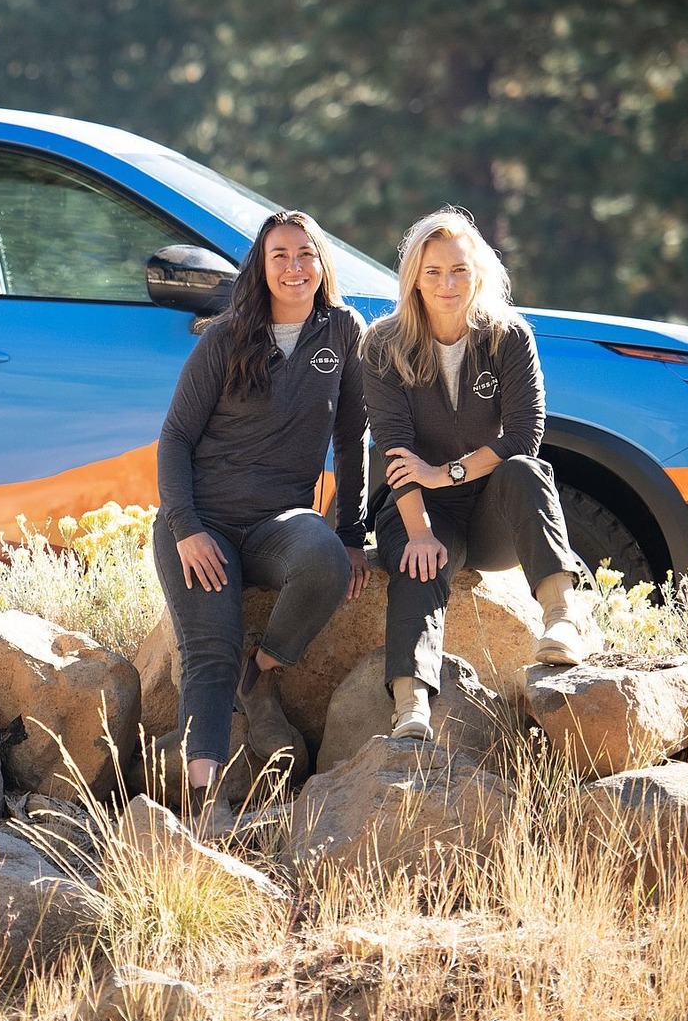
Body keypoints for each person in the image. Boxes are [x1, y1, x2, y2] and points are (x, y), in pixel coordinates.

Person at [154, 210, 370, 835]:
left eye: (306, 255)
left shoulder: (343, 331)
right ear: (261, 266)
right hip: (202, 523)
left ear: (322, 263)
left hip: (279, 521)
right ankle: (205, 802)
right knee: (209, 649)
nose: (295, 267)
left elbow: (352, 438)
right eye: (280, 256)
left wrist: (353, 535)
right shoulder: (225, 337)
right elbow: (173, 439)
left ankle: (263, 674)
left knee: (324, 558)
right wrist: (187, 526)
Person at [361, 207, 594, 742]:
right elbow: (394, 447)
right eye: (433, 272)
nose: (447, 284)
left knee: (526, 470)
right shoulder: (382, 344)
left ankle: (560, 617)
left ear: (480, 272)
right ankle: (411, 701)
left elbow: (523, 435)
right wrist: (419, 531)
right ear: (413, 279)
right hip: (420, 505)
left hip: (494, 513)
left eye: (459, 270)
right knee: (419, 564)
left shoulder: (509, 337)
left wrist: (448, 472)